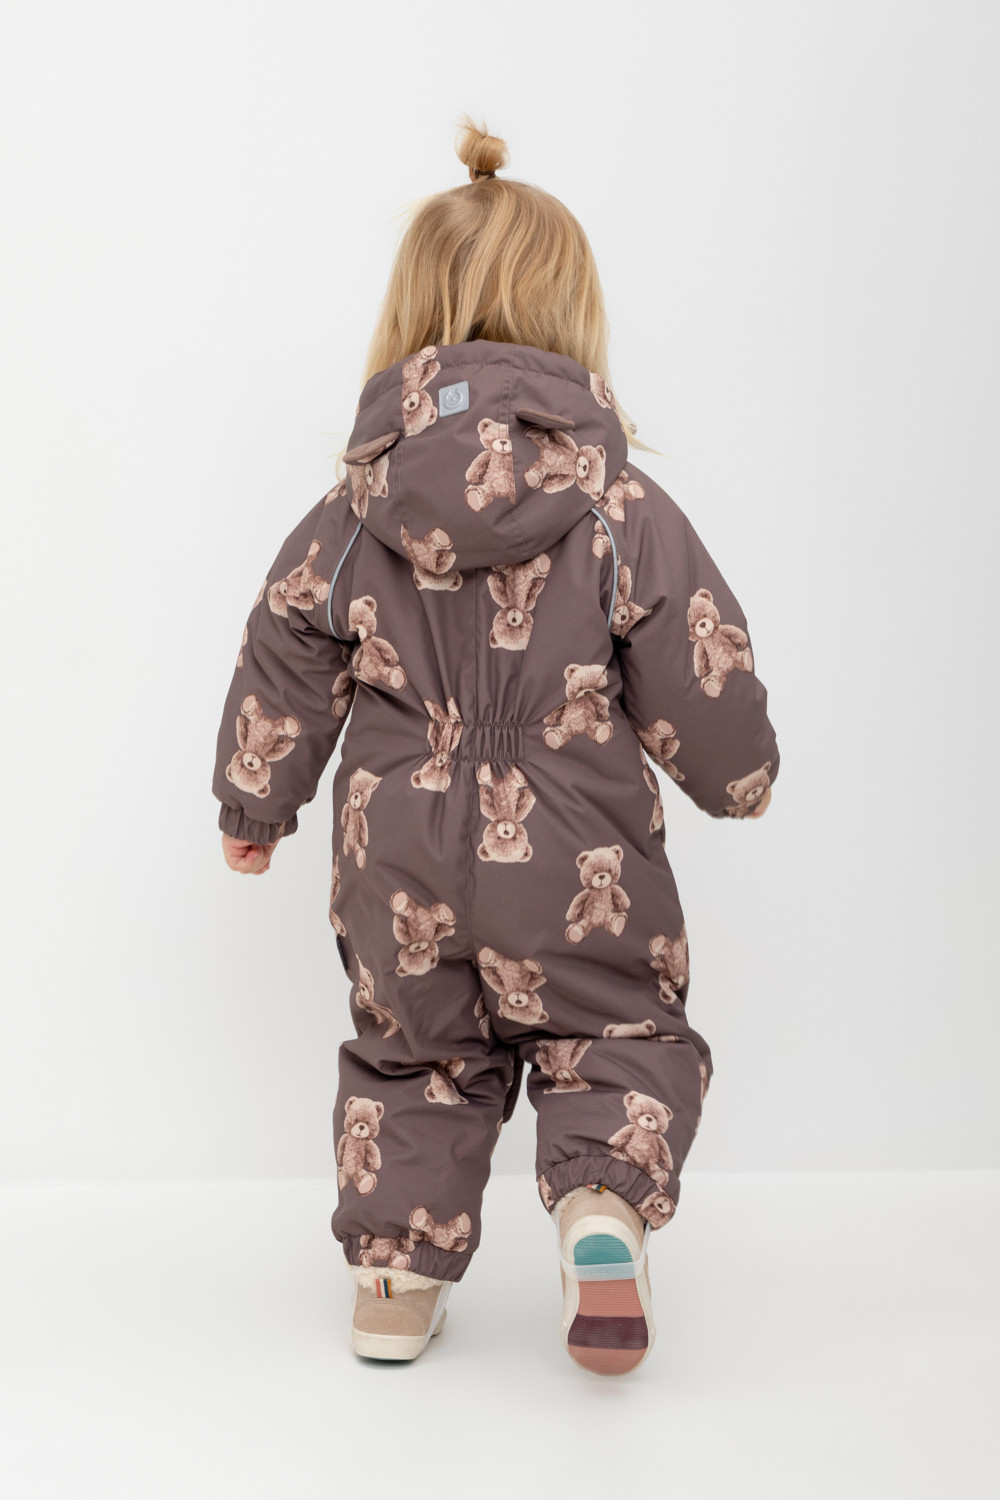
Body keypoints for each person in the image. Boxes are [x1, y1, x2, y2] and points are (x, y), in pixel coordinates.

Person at [211, 112, 779, 1375]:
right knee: (613, 1029)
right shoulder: (618, 507)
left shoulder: (353, 509)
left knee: (414, 1050)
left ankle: (394, 1278)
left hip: (396, 848)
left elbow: (285, 645)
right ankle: (601, 1208)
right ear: (570, 314)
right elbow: (697, 658)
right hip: (576, 844)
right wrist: (738, 779)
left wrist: (255, 804)